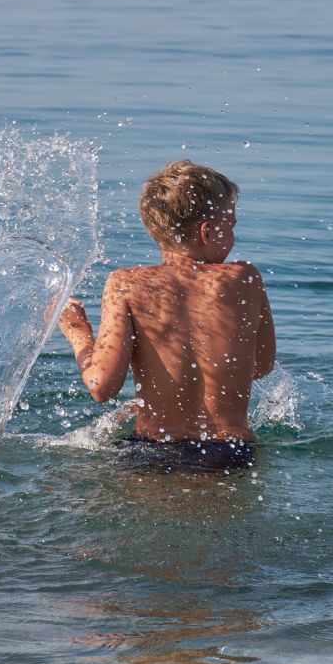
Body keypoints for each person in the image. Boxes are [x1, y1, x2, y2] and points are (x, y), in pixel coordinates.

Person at [56, 160, 275, 471]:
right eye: (232, 225)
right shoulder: (244, 279)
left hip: (151, 451)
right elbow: (261, 366)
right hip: (230, 451)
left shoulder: (125, 284)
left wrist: (77, 330)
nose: (233, 236)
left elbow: (100, 386)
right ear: (208, 231)